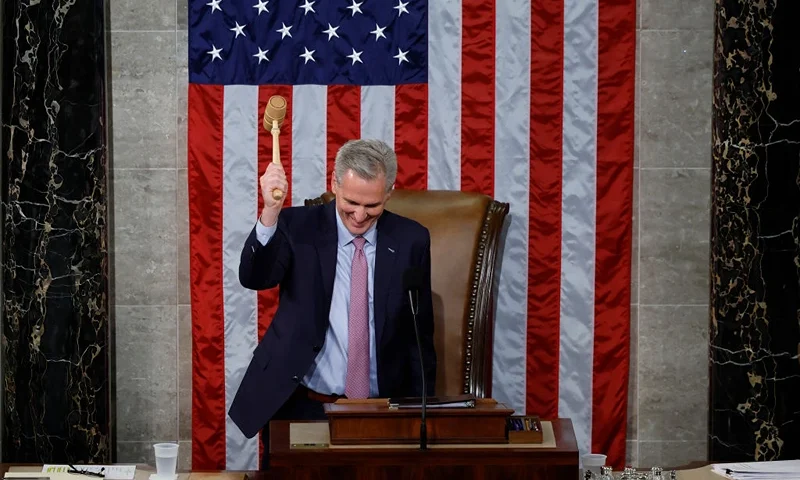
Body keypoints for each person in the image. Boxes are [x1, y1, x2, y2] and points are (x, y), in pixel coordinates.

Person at [228, 138, 437, 468]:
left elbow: (419, 334)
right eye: (351, 202)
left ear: (389, 193)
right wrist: (270, 211)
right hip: (303, 402)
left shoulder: (411, 239)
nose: (359, 215)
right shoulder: (298, 227)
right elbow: (255, 277)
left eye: (372, 206)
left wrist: (421, 413)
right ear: (334, 184)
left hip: (380, 408)